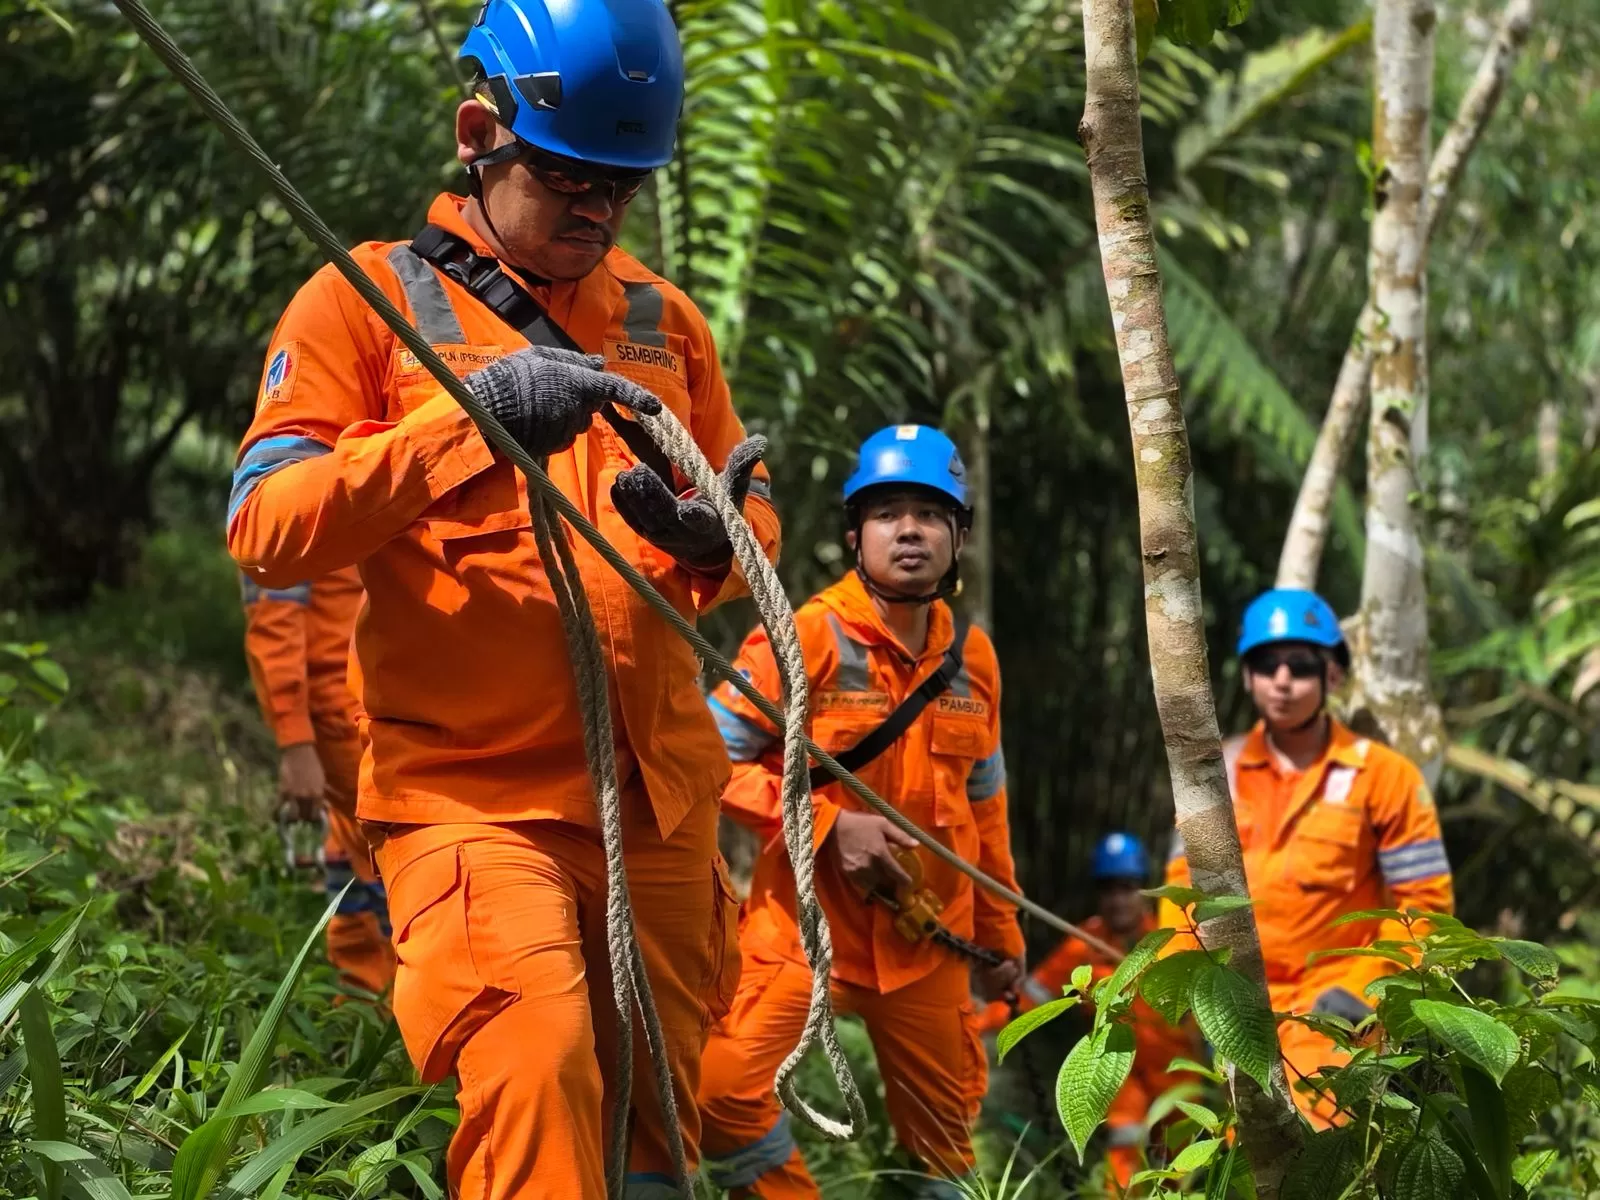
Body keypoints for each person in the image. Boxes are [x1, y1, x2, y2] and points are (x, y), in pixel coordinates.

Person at [226, 1, 782, 1194]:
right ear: (482, 132)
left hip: (660, 802)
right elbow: (265, 527)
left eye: (621, 190)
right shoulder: (365, 304)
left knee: (655, 1129)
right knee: (538, 1072)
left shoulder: (662, 321)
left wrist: (715, 541)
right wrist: (464, 426)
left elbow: (754, 508)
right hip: (470, 804)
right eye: (570, 180)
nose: (597, 213)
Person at [696, 425, 1026, 1199]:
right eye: (886, 514)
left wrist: (1002, 938)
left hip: (927, 938)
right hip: (804, 934)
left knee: (946, 1157)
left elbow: (987, 812)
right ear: (855, 536)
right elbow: (705, 758)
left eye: (929, 512)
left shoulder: (972, 659)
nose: (908, 529)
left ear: (959, 536)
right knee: (718, 1092)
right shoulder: (805, 632)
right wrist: (827, 825)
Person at [1162, 588, 1454, 1126]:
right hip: (1242, 1013)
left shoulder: (1385, 777)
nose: (1282, 680)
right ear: (1248, 676)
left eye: (1299, 665)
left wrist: (1368, 991)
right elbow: (1181, 898)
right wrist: (1189, 993)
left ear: (1333, 675)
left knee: (1319, 1160)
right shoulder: (1212, 774)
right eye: (1266, 664)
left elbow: (1427, 918)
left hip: (1341, 1020)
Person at [976, 832, 1198, 1188]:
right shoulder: (1083, 945)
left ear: (1143, 888)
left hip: (1175, 1068)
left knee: (1179, 1161)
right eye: (1108, 890)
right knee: (1125, 1140)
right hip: (1118, 1065)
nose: (1118, 900)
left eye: (1126, 888)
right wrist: (976, 1022)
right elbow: (1032, 996)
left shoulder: (1169, 938)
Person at [241, 567, 395, 998]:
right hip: (351, 716)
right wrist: (295, 743)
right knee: (397, 865)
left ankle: (362, 1005)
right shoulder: (284, 501)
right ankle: (405, 1027)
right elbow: (274, 616)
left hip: (369, 705)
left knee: (354, 860)